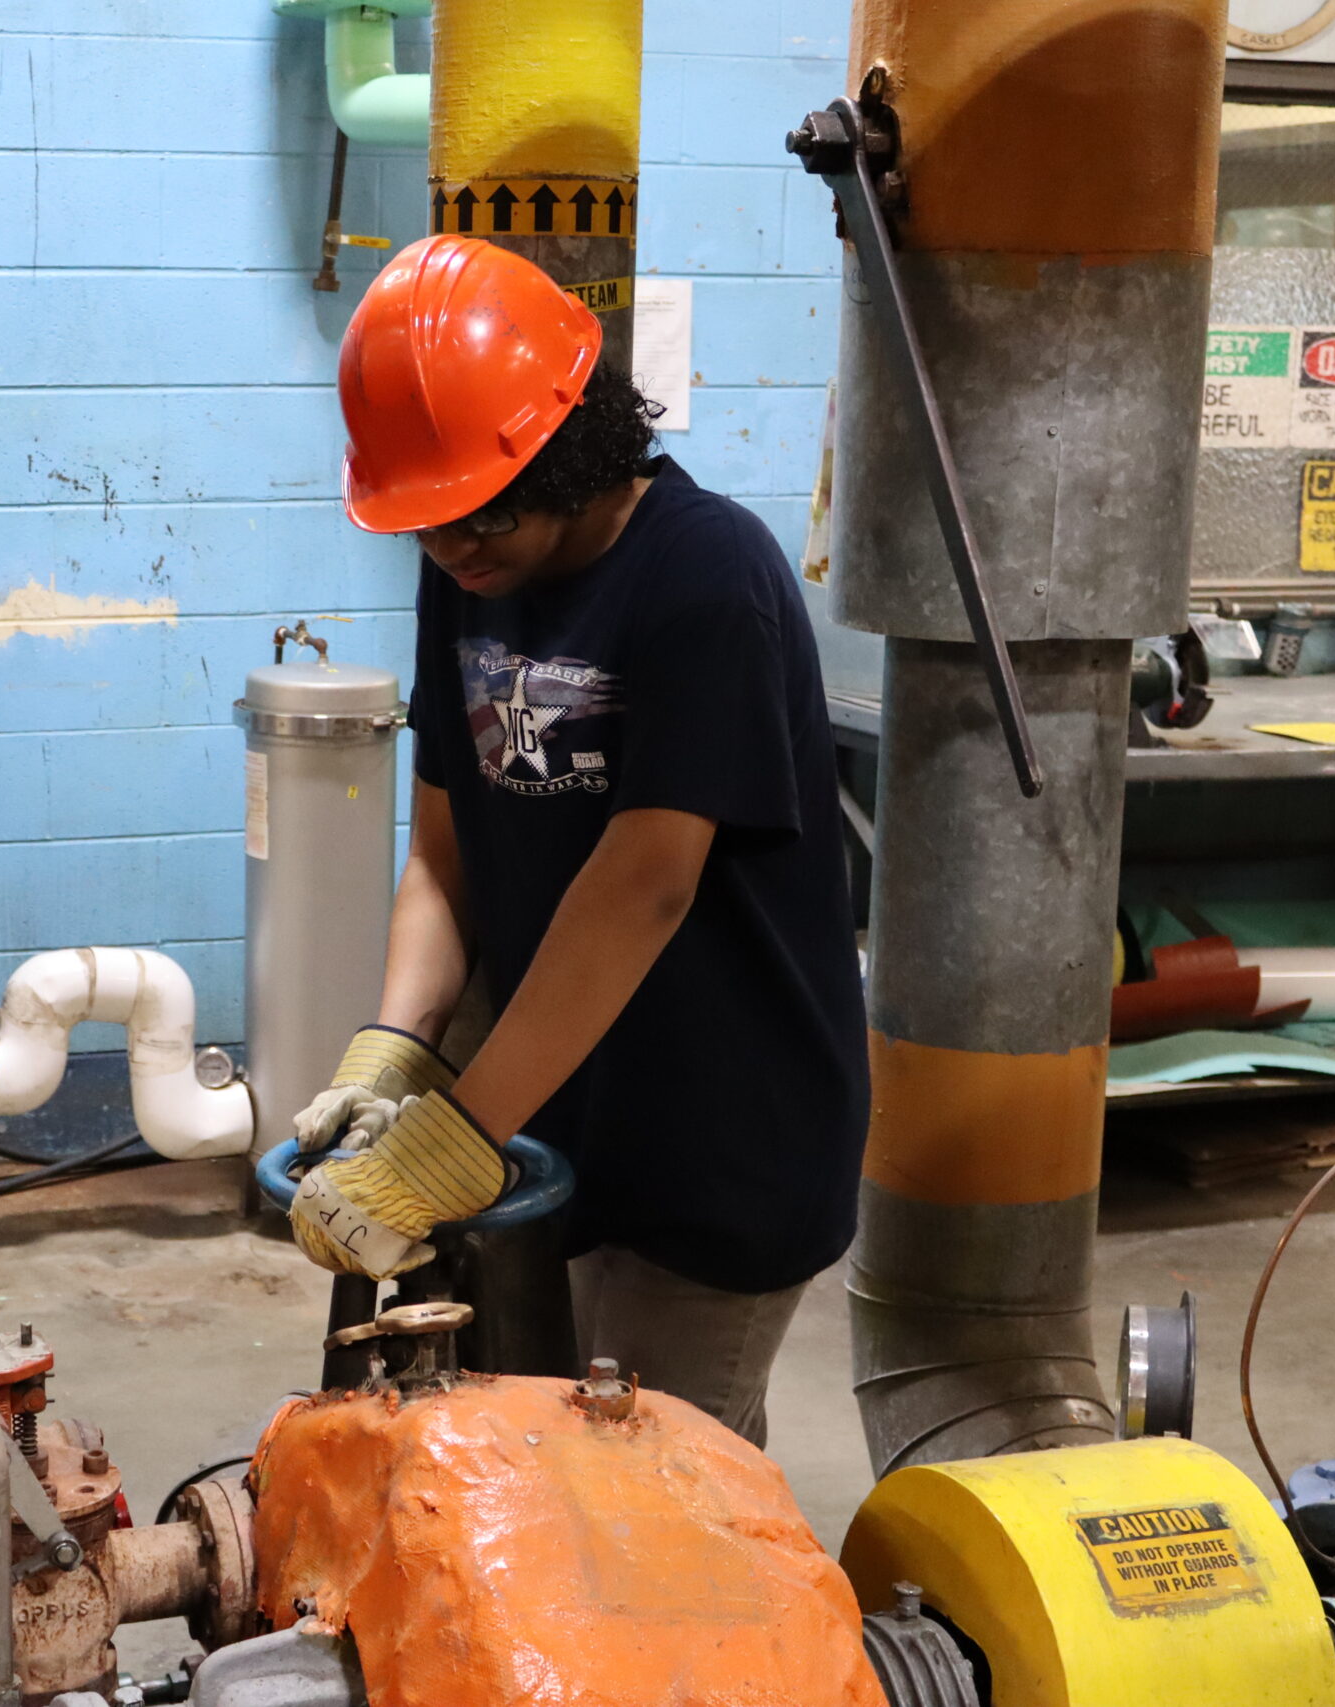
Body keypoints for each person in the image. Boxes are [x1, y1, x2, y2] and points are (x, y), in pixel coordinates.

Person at [286, 236, 869, 1448]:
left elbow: (643, 886)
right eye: (426, 524)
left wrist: (450, 1139)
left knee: (656, 1511)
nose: (450, 548)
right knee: (537, 1484)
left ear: (574, 441)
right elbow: (443, 851)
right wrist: (394, 1048)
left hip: (721, 1137)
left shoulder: (708, 577)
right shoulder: (469, 567)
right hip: (550, 1122)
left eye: (476, 512)